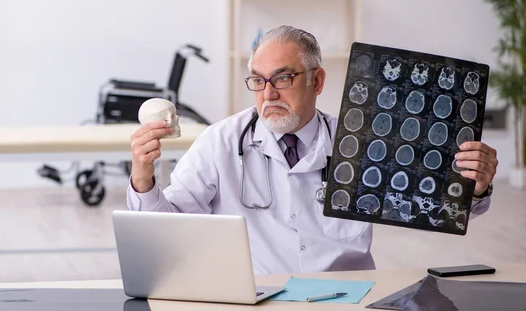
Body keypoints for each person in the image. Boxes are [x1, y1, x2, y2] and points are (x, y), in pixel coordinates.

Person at [127, 25, 498, 275]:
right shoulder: (221, 142)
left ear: (317, 81)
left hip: (348, 298)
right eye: (258, 80)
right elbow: (167, 228)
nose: (268, 93)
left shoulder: (363, 143)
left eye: (283, 78)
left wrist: (475, 184)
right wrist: (143, 179)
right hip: (257, 299)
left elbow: (439, 208)